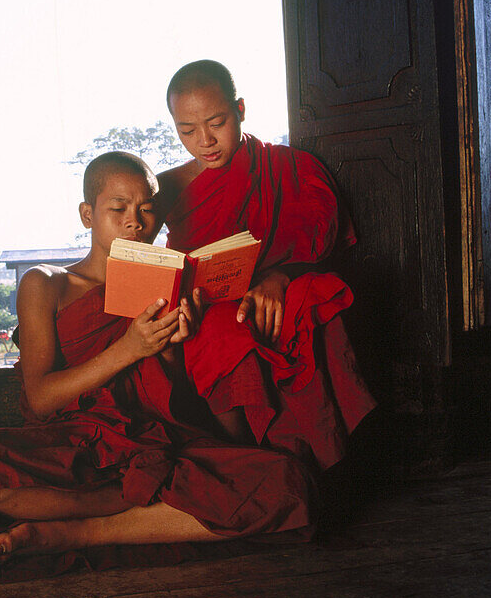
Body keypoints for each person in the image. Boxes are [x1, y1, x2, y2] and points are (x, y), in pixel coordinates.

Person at [0, 151, 317, 568]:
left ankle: (79, 530)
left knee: (289, 485)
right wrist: (128, 349)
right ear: (87, 214)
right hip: (77, 449)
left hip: (157, 441)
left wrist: (180, 343)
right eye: (118, 208)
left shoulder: (170, 284)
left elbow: (173, 400)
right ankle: (145, 507)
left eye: (146, 209)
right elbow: (41, 399)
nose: (134, 222)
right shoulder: (46, 283)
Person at [156, 59, 375, 464]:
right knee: (222, 330)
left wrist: (279, 277)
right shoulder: (168, 187)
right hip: (203, 305)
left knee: (310, 304)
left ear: (240, 110)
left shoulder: (287, 167)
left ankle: (297, 459)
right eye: (187, 131)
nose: (205, 140)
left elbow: (323, 246)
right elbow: (142, 258)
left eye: (217, 122)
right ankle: (248, 462)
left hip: (275, 290)